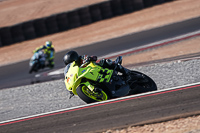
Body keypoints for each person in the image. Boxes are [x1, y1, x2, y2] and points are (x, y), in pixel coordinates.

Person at [63, 50, 130, 76]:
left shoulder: (81, 58)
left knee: (104, 62)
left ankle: (122, 68)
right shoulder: (68, 70)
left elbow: (93, 57)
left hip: (93, 69)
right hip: (85, 76)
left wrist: (91, 58)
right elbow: (68, 78)